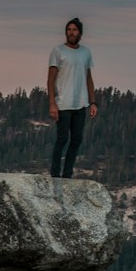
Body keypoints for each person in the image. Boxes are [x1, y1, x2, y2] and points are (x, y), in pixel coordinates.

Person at [48, 18, 98, 178]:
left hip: (80, 104)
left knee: (76, 140)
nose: (71, 32)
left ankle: (67, 175)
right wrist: (52, 104)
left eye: (74, 30)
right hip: (63, 103)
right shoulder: (58, 51)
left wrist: (93, 102)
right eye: (69, 29)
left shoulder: (86, 53)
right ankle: (55, 175)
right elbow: (50, 80)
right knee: (62, 139)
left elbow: (88, 78)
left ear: (80, 33)